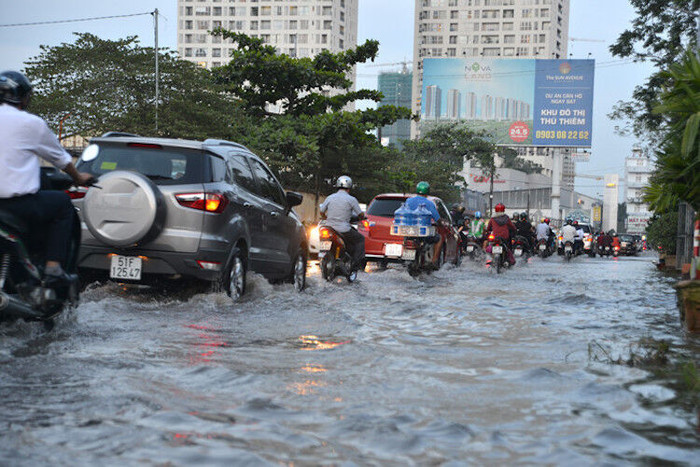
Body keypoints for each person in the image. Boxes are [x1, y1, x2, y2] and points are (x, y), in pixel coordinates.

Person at [0, 70, 94, 283]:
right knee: (62, 203)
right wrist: (79, 178)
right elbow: (62, 160)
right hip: (18, 205)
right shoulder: (31, 123)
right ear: (23, 97)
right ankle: (53, 267)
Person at [319, 175, 365, 272]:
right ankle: (355, 265)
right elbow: (360, 214)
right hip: (343, 229)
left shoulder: (330, 197)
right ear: (349, 188)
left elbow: (321, 211)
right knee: (360, 239)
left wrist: (326, 218)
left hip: (329, 228)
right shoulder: (352, 199)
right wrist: (362, 217)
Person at [405, 181, 444, 266]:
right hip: (423, 233)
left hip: (409, 232)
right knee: (439, 238)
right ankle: (434, 261)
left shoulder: (408, 201)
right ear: (428, 191)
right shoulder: (429, 203)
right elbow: (437, 218)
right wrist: (441, 224)